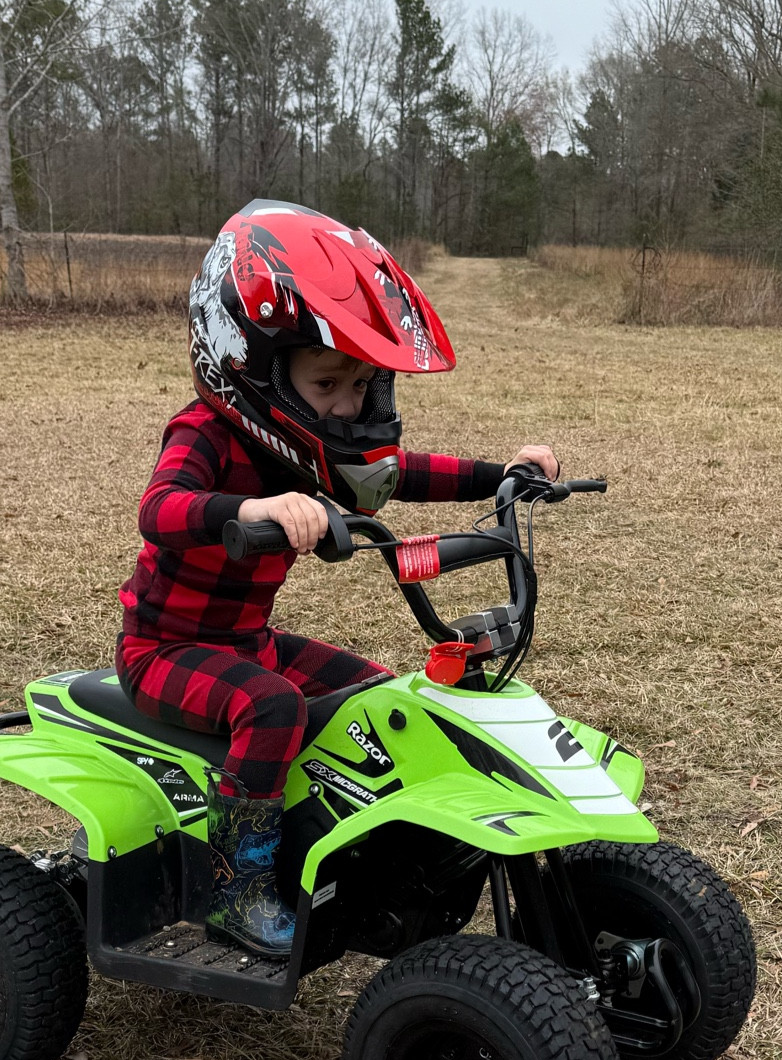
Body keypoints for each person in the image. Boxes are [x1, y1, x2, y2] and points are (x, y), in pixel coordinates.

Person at [117, 200, 557, 958]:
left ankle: (335, 850)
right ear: (248, 364)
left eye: (361, 387)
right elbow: (159, 508)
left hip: (246, 639)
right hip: (164, 650)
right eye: (328, 385)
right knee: (273, 708)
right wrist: (252, 504)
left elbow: (400, 475)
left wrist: (503, 474)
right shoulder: (204, 432)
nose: (348, 405)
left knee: (382, 700)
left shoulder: (309, 447)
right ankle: (236, 886)